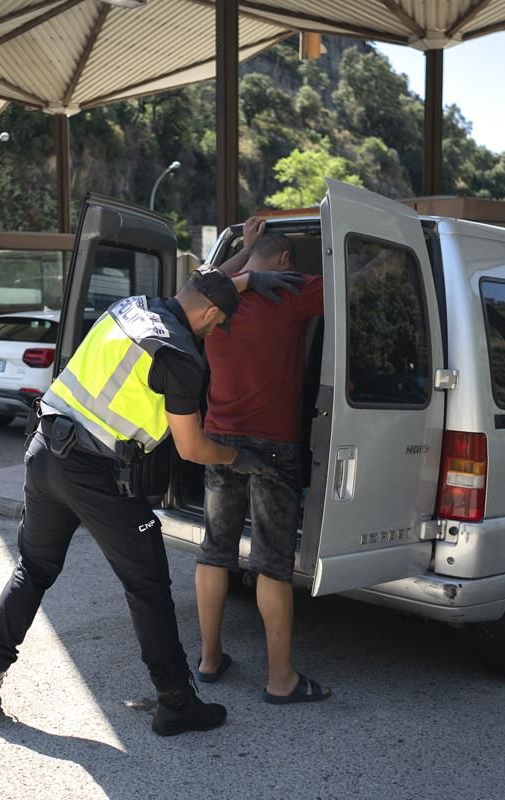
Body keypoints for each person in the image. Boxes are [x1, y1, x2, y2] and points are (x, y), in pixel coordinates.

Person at [0, 265, 304, 736]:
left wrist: (243, 279)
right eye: (217, 324)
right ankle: (177, 702)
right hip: (94, 473)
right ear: (210, 314)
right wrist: (239, 458)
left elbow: (199, 289)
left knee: (33, 569)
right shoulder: (180, 357)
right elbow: (192, 448)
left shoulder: (133, 307)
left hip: (44, 449)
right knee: (148, 585)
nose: (214, 332)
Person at [195, 217, 331, 704]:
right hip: (274, 442)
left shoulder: (215, 297)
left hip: (218, 438)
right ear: (286, 261)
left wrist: (243, 255)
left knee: (215, 550)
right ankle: (281, 680)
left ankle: (209, 659)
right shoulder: (291, 289)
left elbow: (194, 285)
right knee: (271, 561)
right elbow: (355, 283)